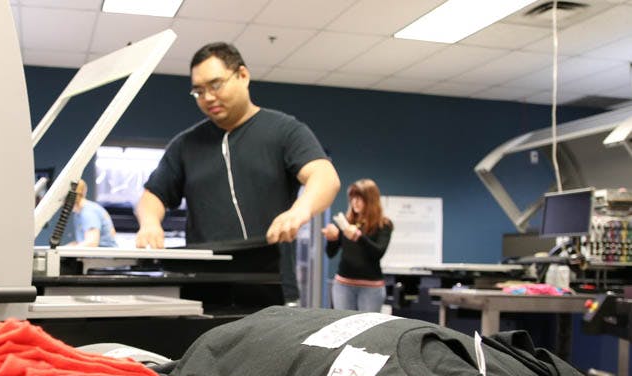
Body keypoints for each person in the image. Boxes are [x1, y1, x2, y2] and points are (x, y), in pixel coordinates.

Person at [134, 42, 340, 303]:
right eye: (199, 91)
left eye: (215, 85)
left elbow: (324, 176)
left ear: (243, 76)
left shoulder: (285, 130)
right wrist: (150, 223)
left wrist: (300, 210)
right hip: (204, 286)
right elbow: (153, 196)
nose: (207, 97)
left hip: (271, 284)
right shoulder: (185, 145)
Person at [323, 179, 393, 312]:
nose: (354, 202)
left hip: (371, 288)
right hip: (343, 285)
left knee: (367, 329)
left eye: (359, 198)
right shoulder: (346, 222)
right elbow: (330, 253)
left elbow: (378, 253)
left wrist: (358, 237)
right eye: (352, 198)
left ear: (371, 200)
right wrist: (332, 239)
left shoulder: (383, 225)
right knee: (344, 328)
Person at [70, 179, 118, 247]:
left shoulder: (88, 212)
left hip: (103, 256)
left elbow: (92, 243)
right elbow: (81, 242)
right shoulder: (78, 213)